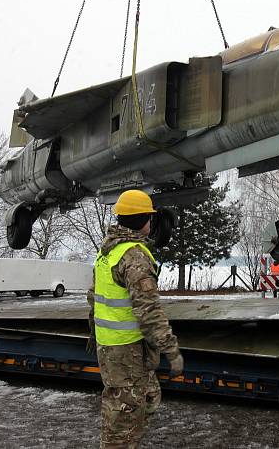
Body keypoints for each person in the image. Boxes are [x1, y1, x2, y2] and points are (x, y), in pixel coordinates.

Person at [87, 189, 183, 449]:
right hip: (125, 349)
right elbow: (148, 310)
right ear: (143, 220)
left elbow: (93, 296)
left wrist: (93, 332)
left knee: (148, 397)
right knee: (123, 416)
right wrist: (171, 349)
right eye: (150, 218)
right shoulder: (134, 255)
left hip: (113, 346)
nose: (152, 223)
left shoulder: (108, 251)